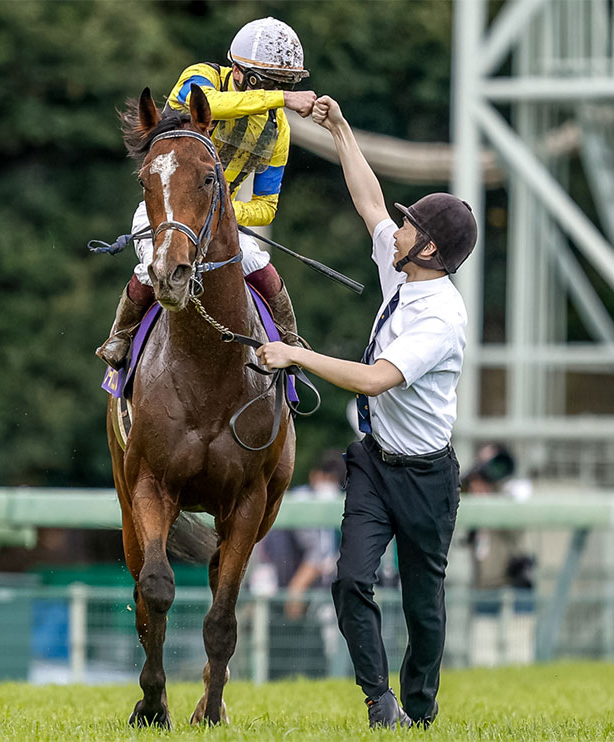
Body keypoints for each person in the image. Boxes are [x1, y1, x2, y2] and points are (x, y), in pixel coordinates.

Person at [255, 95, 477, 729]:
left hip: (427, 479)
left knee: (423, 610)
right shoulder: (405, 272)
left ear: (428, 248)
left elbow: (378, 379)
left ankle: (421, 710)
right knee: (351, 580)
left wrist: (297, 356)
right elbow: (370, 201)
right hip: (376, 466)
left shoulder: (442, 317)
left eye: (410, 227)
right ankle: (380, 702)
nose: (395, 229)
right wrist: (342, 128)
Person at [96, 16, 319, 369]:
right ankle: (120, 335)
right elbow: (214, 105)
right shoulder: (200, 77)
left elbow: (266, 207)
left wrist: (226, 210)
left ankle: (291, 342)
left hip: (218, 220)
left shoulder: (278, 132)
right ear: (239, 70)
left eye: (283, 83)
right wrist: (285, 98)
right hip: (165, 210)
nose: (275, 92)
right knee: (150, 266)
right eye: (269, 82)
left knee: (261, 266)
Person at [248, 449, 343, 679]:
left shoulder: (314, 501)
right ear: (314, 475)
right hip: (280, 593)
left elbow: (318, 556)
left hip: (306, 600)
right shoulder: (298, 498)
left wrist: (296, 591)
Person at [462, 444, 537, 666]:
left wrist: (492, 498)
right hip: (486, 585)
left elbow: (516, 527)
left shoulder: (514, 491)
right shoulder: (473, 492)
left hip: (516, 581)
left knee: (519, 653)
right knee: (483, 653)